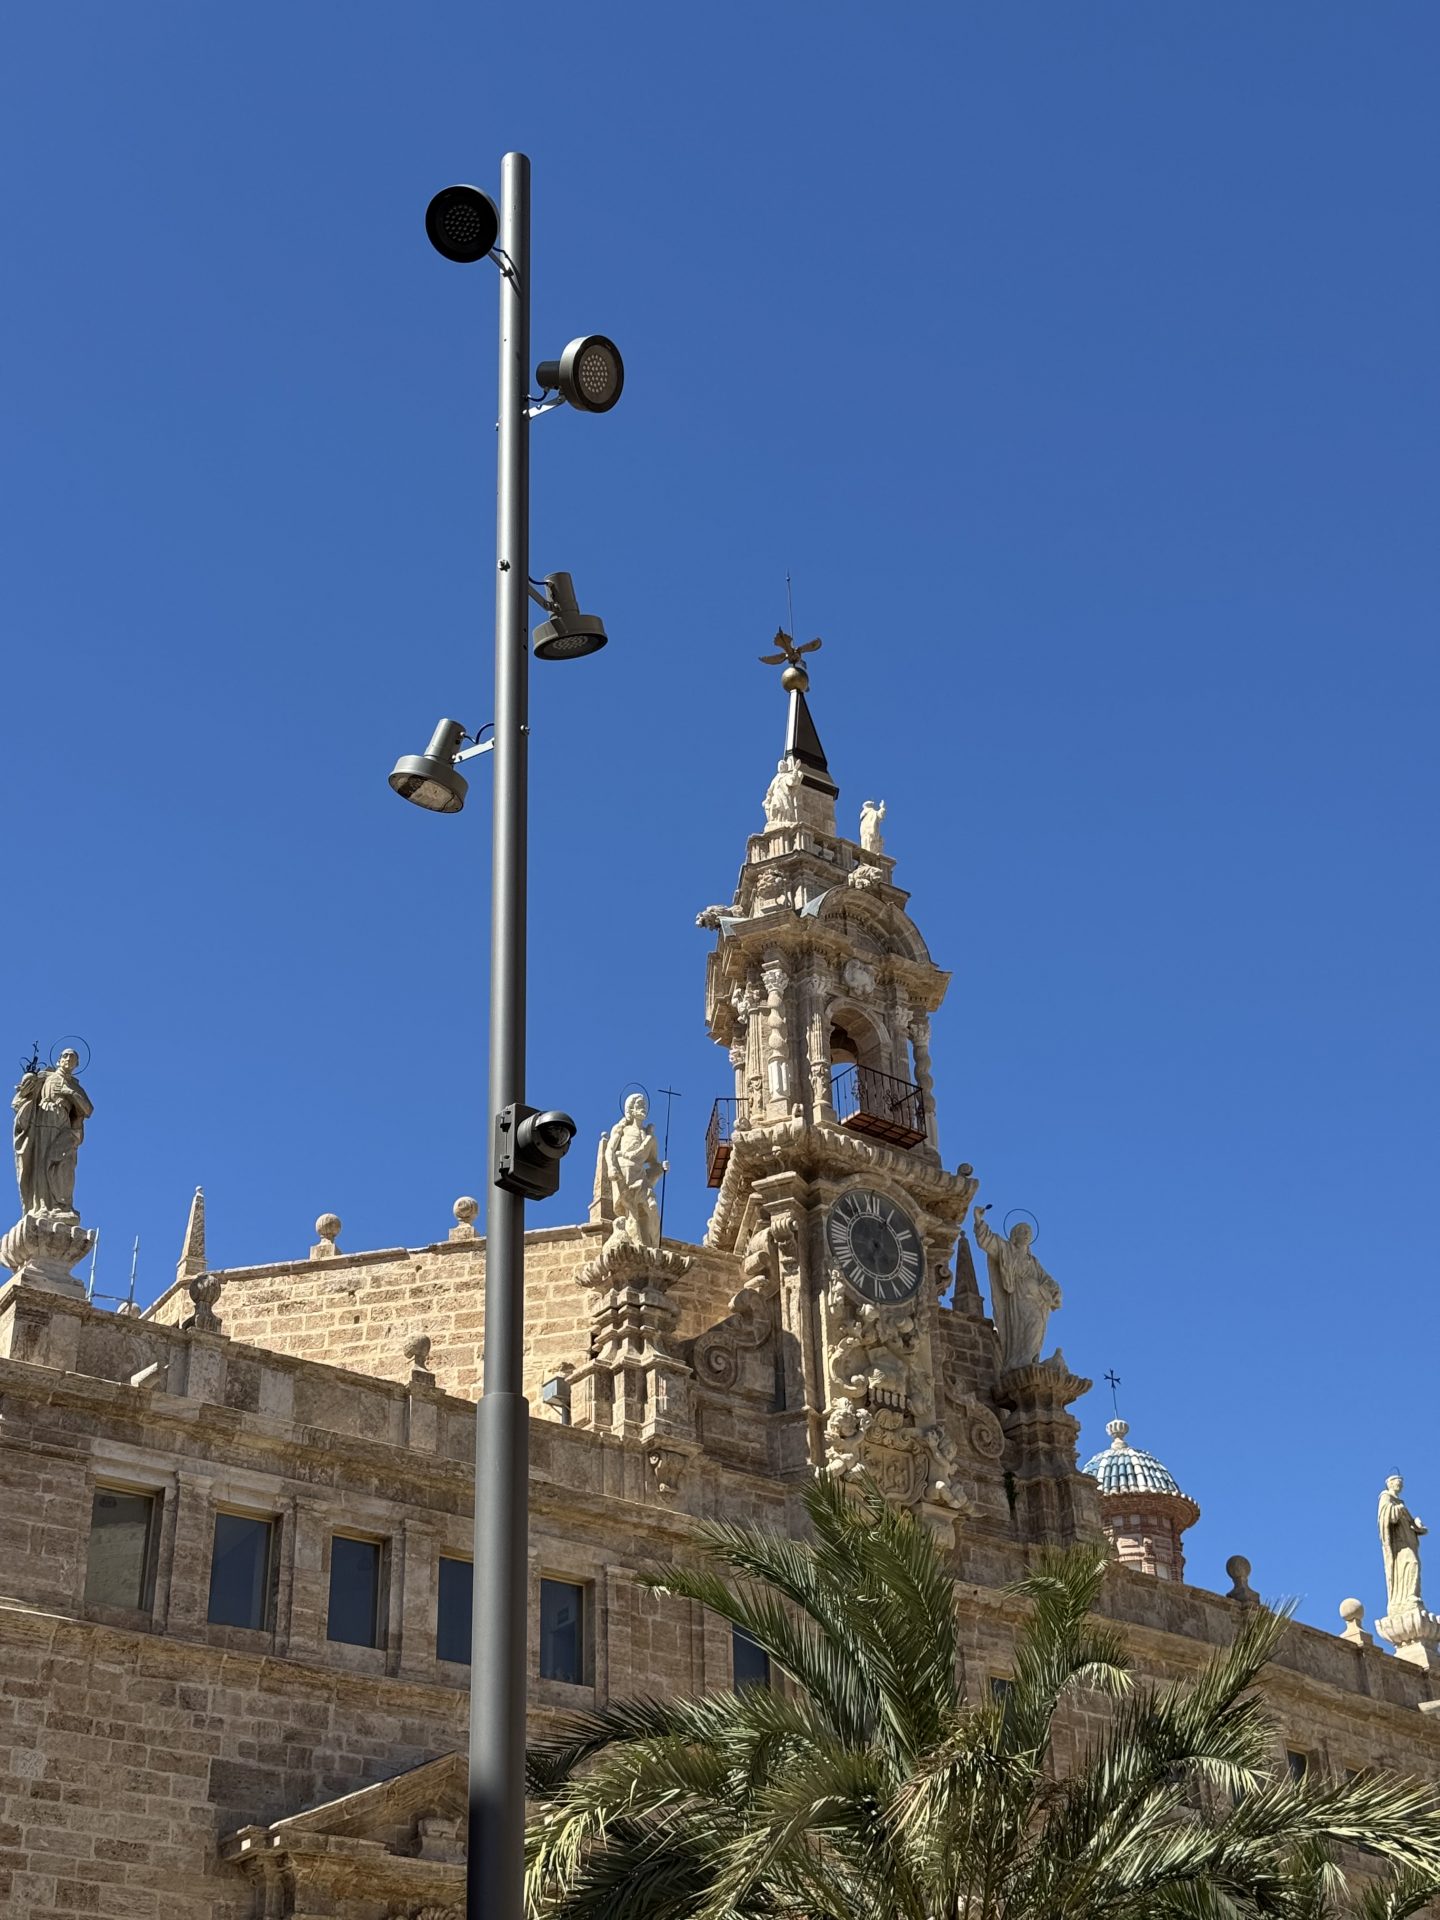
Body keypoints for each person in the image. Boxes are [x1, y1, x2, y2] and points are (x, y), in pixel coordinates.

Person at [972, 1207, 1061, 1372]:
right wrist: (978, 1220)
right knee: (1025, 1326)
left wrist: (1055, 1291)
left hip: (1037, 1301)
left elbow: (1047, 1280)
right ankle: (1021, 1359)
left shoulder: (1034, 1262)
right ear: (1014, 1236)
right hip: (1019, 1298)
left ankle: (1029, 1358)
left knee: (1036, 1325)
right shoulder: (1007, 1250)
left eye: (1028, 1231)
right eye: (1022, 1231)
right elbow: (989, 1242)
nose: (1026, 1233)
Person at [602, 1094, 666, 1252]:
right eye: (639, 1104)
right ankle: (639, 1246)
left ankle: (654, 1244)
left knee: (652, 1208)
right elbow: (609, 1150)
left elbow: (653, 1162)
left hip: (640, 1174)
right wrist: (612, 1167)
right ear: (630, 1109)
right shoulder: (622, 1129)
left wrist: (662, 1167)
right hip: (624, 1173)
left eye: (644, 1104)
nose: (643, 1107)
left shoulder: (649, 1137)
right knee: (632, 1211)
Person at [1379, 1474, 1427, 1613]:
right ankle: (1408, 1596)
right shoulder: (1386, 1497)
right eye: (1397, 1482)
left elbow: (1409, 1522)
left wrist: (1417, 1527)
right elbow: (1388, 1517)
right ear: (1390, 1484)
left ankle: (1410, 1596)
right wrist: (1399, 1509)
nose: (1400, 1484)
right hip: (1399, 1543)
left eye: (1401, 1482)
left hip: (1408, 1540)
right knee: (1412, 1563)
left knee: (1414, 1564)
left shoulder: (1400, 1502)